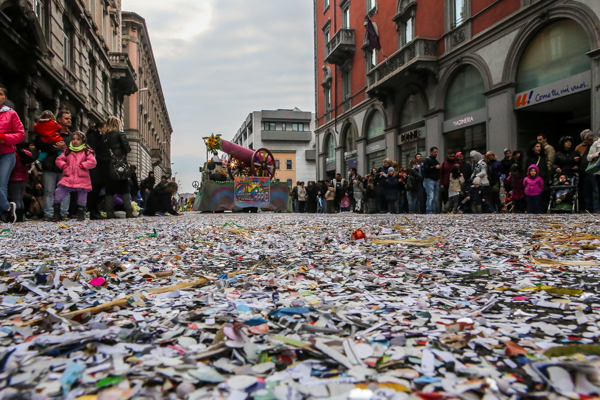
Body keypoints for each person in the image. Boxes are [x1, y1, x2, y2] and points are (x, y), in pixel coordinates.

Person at [37, 109, 72, 220]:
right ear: (59, 119)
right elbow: (41, 145)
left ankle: (64, 213)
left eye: (69, 119)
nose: (69, 121)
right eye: (66, 118)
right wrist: (54, 147)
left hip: (65, 167)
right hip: (50, 166)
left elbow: (76, 151)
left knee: (65, 191)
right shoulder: (49, 132)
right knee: (49, 191)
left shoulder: (72, 136)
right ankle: (49, 214)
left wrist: (64, 148)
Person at [53, 132, 97, 221]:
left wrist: (82, 166)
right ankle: (56, 213)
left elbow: (92, 162)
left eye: (78, 139)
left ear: (83, 141)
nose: (75, 141)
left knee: (82, 198)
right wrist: (64, 166)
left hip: (82, 177)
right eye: (73, 139)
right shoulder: (67, 151)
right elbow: (59, 160)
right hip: (68, 177)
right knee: (58, 193)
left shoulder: (87, 151)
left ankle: (81, 214)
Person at [0, 86, 25, 223]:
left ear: (5, 98)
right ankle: (7, 208)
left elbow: (21, 135)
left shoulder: (11, 114)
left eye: (0, 94)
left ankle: (3, 214)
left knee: (2, 184)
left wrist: (4, 138)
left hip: (6, 154)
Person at [104, 116, 133, 219]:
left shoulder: (105, 136)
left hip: (108, 165)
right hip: (119, 164)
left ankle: (109, 213)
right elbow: (127, 148)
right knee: (124, 188)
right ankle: (129, 212)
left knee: (109, 190)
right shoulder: (120, 134)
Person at [86, 121, 108, 220]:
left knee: (97, 189)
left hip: (100, 167)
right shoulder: (93, 137)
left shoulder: (101, 138)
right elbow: (94, 151)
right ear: (100, 128)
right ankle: (92, 211)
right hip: (95, 167)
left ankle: (95, 210)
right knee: (94, 190)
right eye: (105, 127)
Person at [7, 143, 34, 222]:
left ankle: (17, 217)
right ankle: (22, 215)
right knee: (20, 198)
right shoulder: (27, 153)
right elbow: (29, 166)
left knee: (15, 198)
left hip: (14, 178)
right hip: (24, 178)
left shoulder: (13, 154)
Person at [576, 129, 599, 213]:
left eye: (587, 139)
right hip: (584, 173)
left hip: (593, 171)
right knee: (586, 191)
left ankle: (596, 209)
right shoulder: (579, 147)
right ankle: (588, 208)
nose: (585, 141)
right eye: (584, 139)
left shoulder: (596, 145)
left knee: (595, 191)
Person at [524, 140, 550, 211]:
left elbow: (546, 169)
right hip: (532, 181)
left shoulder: (542, 158)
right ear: (533, 148)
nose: (539, 148)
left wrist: (548, 179)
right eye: (537, 146)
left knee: (543, 198)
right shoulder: (528, 158)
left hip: (542, 180)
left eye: (540, 146)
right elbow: (525, 170)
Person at [422, 147, 441, 214]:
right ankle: (429, 210)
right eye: (434, 152)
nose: (436, 153)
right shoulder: (427, 160)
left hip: (435, 180)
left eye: (437, 152)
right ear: (431, 152)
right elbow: (425, 169)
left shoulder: (436, 161)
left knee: (435, 197)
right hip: (429, 180)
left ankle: (435, 210)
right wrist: (434, 167)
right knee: (431, 196)